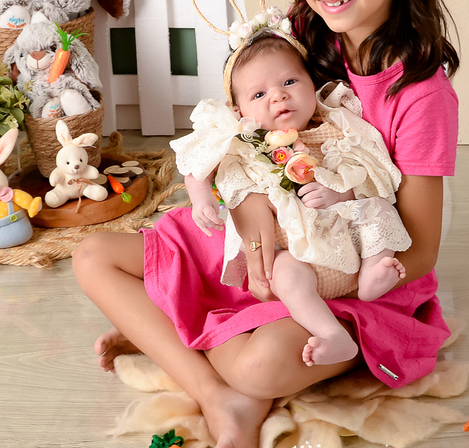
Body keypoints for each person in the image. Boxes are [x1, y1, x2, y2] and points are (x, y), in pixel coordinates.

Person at [73, 0, 459, 448]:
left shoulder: (419, 92)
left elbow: (423, 246)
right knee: (94, 255)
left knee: (264, 360)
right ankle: (219, 394)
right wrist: (254, 220)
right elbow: (248, 133)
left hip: (351, 269)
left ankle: (198, 358)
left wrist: (324, 232)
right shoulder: (307, 37)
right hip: (271, 231)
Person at [170, 23, 411, 368]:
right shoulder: (242, 141)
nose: (278, 96)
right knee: (282, 272)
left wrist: (339, 193)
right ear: (237, 111)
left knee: (379, 211)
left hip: (349, 243)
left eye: (289, 82)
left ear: (312, 84)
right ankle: (331, 334)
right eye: (258, 95)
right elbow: (197, 162)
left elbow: (372, 172)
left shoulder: (338, 127)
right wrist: (201, 198)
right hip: (297, 256)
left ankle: (374, 275)